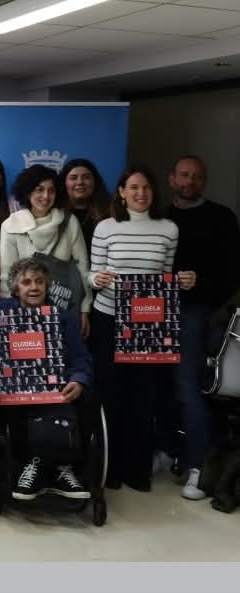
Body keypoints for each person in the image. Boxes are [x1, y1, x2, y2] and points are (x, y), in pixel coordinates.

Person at [88, 164, 195, 492]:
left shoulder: (168, 229)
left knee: (144, 397)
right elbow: (92, 275)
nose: (140, 193)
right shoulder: (105, 228)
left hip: (148, 325)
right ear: (121, 192)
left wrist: (182, 282)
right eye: (133, 187)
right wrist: (98, 279)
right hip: (108, 318)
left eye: (145, 187)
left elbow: (164, 276)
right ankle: (111, 469)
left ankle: (137, 470)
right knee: (111, 394)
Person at [0, 258, 94, 501]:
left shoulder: (63, 317)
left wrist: (79, 379)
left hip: (54, 389)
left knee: (80, 399)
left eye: (40, 282)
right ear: (16, 287)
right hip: (12, 390)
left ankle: (58, 467)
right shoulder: (1, 308)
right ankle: (39, 467)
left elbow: (81, 357)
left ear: (47, 286)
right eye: (27, 282)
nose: (34, 288)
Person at [164, 155, 240, 499]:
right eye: (183, 176)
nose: (188, 182)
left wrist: (201, 283)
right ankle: (167, 451)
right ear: (171, 179)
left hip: (197, 312)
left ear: (203, 181)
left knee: (187, 385)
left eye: (196, 177)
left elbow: (231, 274)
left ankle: (199, 467)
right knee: (156, 384)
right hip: (154, 311)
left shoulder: (221, 218)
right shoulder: (160, 218)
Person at [0, 165, 92, 337]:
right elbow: (7, 277)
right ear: (28, 193)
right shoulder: (11, 225)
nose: (46, 196)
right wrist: (10, 316)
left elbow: (83, 269)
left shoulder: (69, 222)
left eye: (51, 190)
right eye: (39, 190)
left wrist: (85, 310)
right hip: (24, 313)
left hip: (64, 311)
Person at [57, 158, 111, 252]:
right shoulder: (55, 214)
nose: (80, 182)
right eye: (73, 178)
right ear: (64, 183)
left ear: (95, 182)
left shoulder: (109, 213)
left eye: (86, 177)